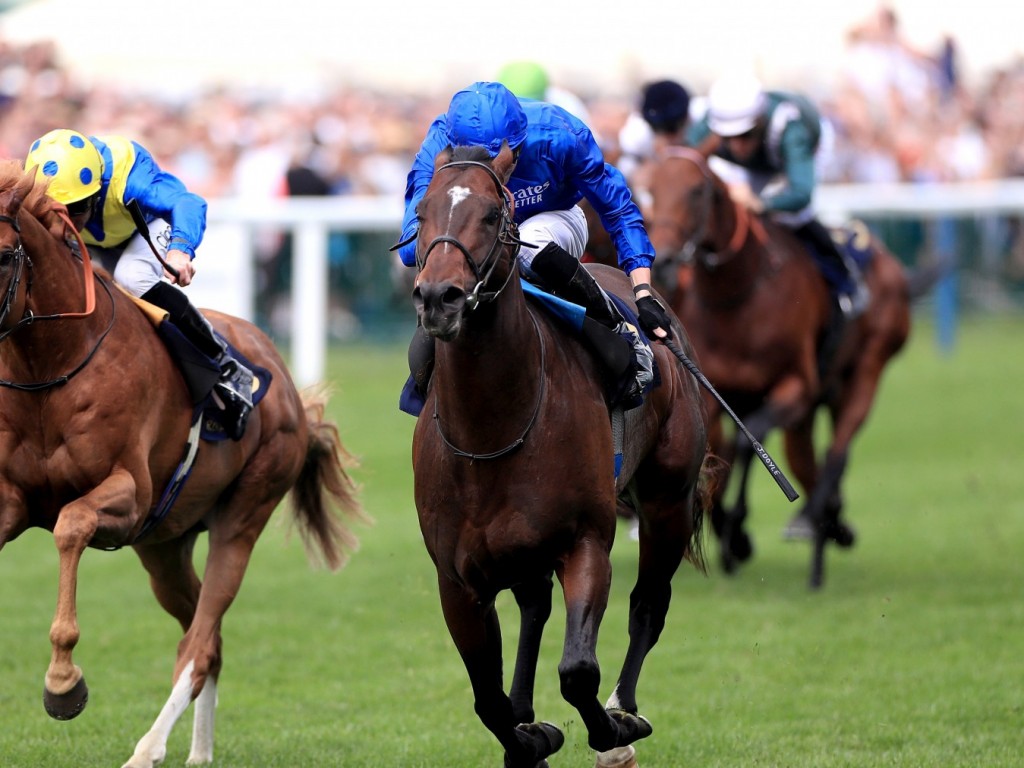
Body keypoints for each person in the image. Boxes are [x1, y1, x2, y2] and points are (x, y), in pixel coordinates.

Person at [397, 81, 674, 409]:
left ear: (517, 144)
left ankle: (617, 326)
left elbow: (617, 208)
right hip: (480, 230)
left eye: (494, 160)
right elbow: (410, 240)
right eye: (475, 161)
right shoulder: (441, 141)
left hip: (556, 217)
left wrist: (642, 291)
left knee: (528, 245)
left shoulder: (560, 135)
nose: (491, 172)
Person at [25, 128, 254, 439]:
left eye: (76, 209)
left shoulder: (129, 179)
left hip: (145, 225)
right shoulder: (36, 180)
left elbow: (189, 203)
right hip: (99, 237)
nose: (62, 223)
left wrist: (179, 249)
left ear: (95, 190)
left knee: (132, 277)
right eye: (55, 211)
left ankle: (225, 365)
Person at [688, 73, 869, 317]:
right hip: (755, 163)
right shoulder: (709, 120)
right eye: (728, 138)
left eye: (746, 134)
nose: (738, 146)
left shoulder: (791, 129)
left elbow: (801, 194)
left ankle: (846, 280)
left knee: (794, 217)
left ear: (760, 121)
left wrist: (761, 204)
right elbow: (683, 160)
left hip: (798, 154)